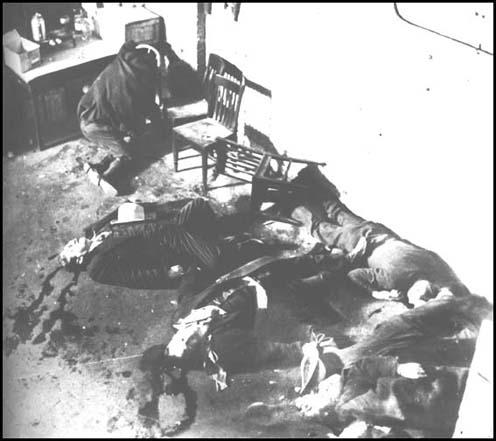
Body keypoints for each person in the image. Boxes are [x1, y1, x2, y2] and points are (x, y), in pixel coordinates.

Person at [286, 165, 471, 305]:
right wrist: (377, 293)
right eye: (414, 302)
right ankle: (291, 203)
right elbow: (354, 275)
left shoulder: (430, 264)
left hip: (379, 233)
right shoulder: (393, 280)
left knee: (337, 212)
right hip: (359, 242)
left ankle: (310, 177)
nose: (411, 303)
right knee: (320, 230)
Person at [58, 198, 266, 290]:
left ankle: (221, 235)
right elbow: (135, 277)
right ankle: (255, 247)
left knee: (198, 206)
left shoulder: (92, 231)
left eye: (68, 244)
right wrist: (167, 273)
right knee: (216, 260)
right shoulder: (97, 267)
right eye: (70, 249)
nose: (71, 242)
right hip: (167, 246)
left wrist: (151, 208)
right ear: (79, 259)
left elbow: (119, 211)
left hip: (165, 226)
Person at [77, 41, 165, 189]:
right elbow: (139, 112)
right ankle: (106, 178)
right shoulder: (137, 81)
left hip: (85, 120)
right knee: (127, 154)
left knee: (118, 146)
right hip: (96, 126)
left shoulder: (119, 64)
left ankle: (99, 167)